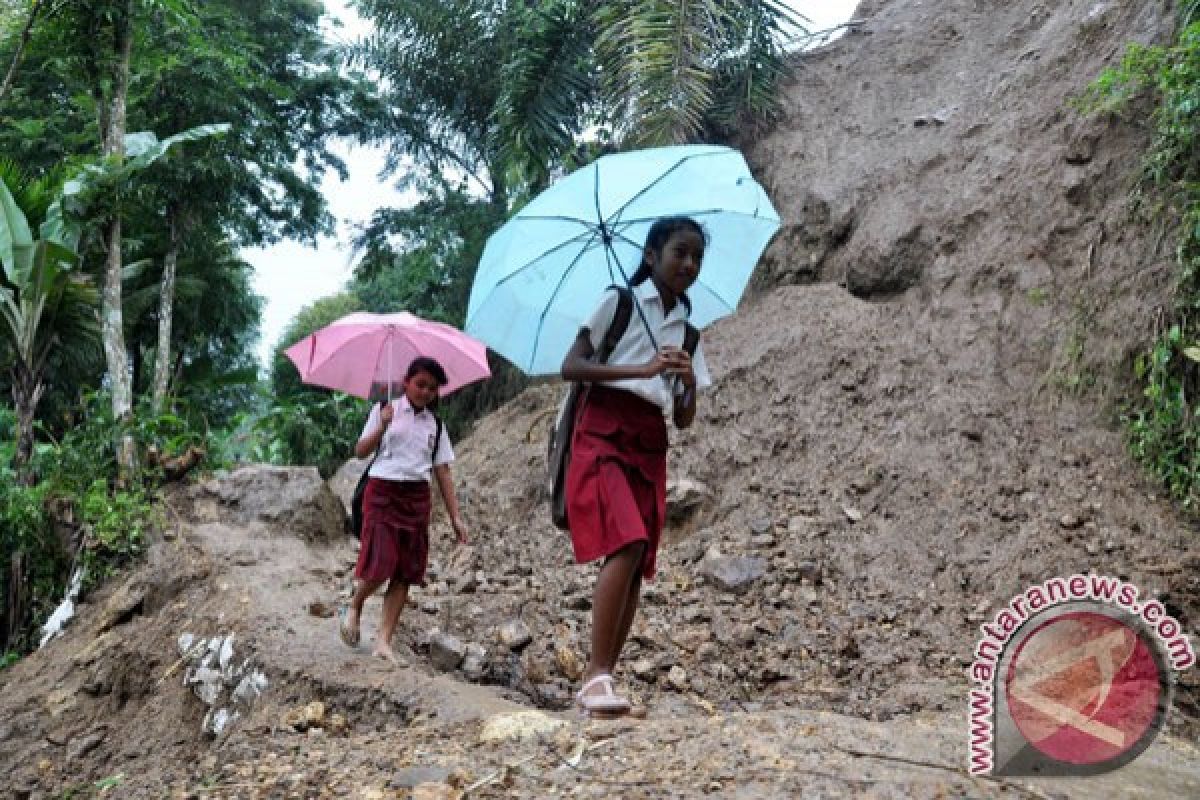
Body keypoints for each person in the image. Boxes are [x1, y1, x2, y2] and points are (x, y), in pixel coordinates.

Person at [560, 216, 712, 715]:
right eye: (679, 253)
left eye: (696, 257)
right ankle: (594, 676)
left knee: (640, 554)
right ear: (651, 257)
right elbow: (571, 366)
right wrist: (641, 368)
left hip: (650, 439)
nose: (688, 264)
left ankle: (604, 678)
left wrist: (686, 380)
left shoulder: (687, 332)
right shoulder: (619, 302)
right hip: (602, 429)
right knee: (624, 541)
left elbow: (685, 418)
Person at [339, 356, 469, 663]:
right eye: (420, 384)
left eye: (432, 388)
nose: (425, 392)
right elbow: (360, 451)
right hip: (382, 492)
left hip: (416, 499)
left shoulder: (436, 426)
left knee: (406, 571)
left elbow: (444, 472)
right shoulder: (385, 411)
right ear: (406, 382)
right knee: (381, 562)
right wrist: (381, 427)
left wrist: (455, 517)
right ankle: (355, 603)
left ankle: (384, 640)